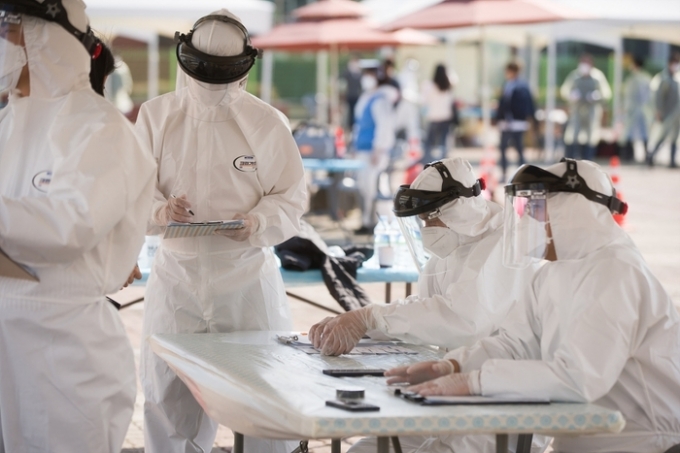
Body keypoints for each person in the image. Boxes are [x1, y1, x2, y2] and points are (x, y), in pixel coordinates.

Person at [389, 159, 680, 453]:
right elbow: (515, 343)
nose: (527, 221)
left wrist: (475, 381)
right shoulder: (554, 273)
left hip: (644, 443)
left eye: (536, 210)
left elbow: (578, 378)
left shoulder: (616, 272)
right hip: (583, 443)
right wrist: (453, 365)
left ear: (574, 211)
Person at [136, 10, 306, 453]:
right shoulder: (156, 116)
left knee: (262, 393)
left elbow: (291, 197)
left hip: (245, 278)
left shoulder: (266, 122)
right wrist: (160, 211)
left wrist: (256, 221)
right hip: (176, 280)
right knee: (167, 397)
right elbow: (130, 192)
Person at [0, 1, 156, 452]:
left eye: (9, 31)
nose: (2, 42)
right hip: (11, 344)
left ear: (44, 39)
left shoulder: (99, 127)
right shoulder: (9, 122)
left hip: (64, 354)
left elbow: (69, 226)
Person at [310, 157, 547, 453]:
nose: (426, 227)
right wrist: (359, 323)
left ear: (457, 209)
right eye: (421, 221)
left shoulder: (504, 243)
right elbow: (426, 307)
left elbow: (462, 319)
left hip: (501, 407)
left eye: (429, 218)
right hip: (453, 392)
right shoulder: (457, 243)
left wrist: (371, 317)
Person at [352, 65, 399, 235]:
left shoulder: (380, 99)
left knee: (374, 187)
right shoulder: (367, 97)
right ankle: (368, 221)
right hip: (363, 149)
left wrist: (379, 149)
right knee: (365, 187)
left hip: (374, 152)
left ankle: (378, 222)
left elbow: (384, 126)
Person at [560, 54, 612, 161]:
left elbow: (607, 93)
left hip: (592, 110)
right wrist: (571, 95)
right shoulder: (574, 75)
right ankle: (572, 158)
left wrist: (597, 96)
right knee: (573, 133)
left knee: (591, 135)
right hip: (577, 110)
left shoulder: (598, 76)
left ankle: (588, 158)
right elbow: (564, 90)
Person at [496, 62, 535, 182]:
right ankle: (504, 173)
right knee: (503, 148)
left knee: (519, 149)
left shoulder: (522, 86)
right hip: (506, 123)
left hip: (518, 123)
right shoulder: (507, 84)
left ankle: (522, 174)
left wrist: (530, 119)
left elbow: (528, 104)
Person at [647, 53, 680, 168]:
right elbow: (659, 97)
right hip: (668, 113)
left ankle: (672, 161)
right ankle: (651, 156)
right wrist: (658, 111)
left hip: (677, 114)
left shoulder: (677, 77)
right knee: (663, 137)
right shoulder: (664, 78)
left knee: (675, 137)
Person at [420, 64, 455, 166]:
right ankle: (444, 164)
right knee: (443, 144)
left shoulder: (429, 85)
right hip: (446, 118)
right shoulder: (448, 85)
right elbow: (455, 78)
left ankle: (428, 164)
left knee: (429, 144)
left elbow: (423, 100)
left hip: (433, 118)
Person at [619, 56, 652, 162]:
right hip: (639, 109)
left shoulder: (636, 78)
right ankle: (638, 155)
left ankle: (631, 155)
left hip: (636, 109)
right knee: (638, 133)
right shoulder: (644, 77)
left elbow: (631, 95)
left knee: (635, 132)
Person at [342, 53, 362, 130]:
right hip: (350, 95)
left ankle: (355, 124)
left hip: (358, 95)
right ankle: (350, 126)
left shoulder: (360, 72)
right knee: (350, 112)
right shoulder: (348, 72)